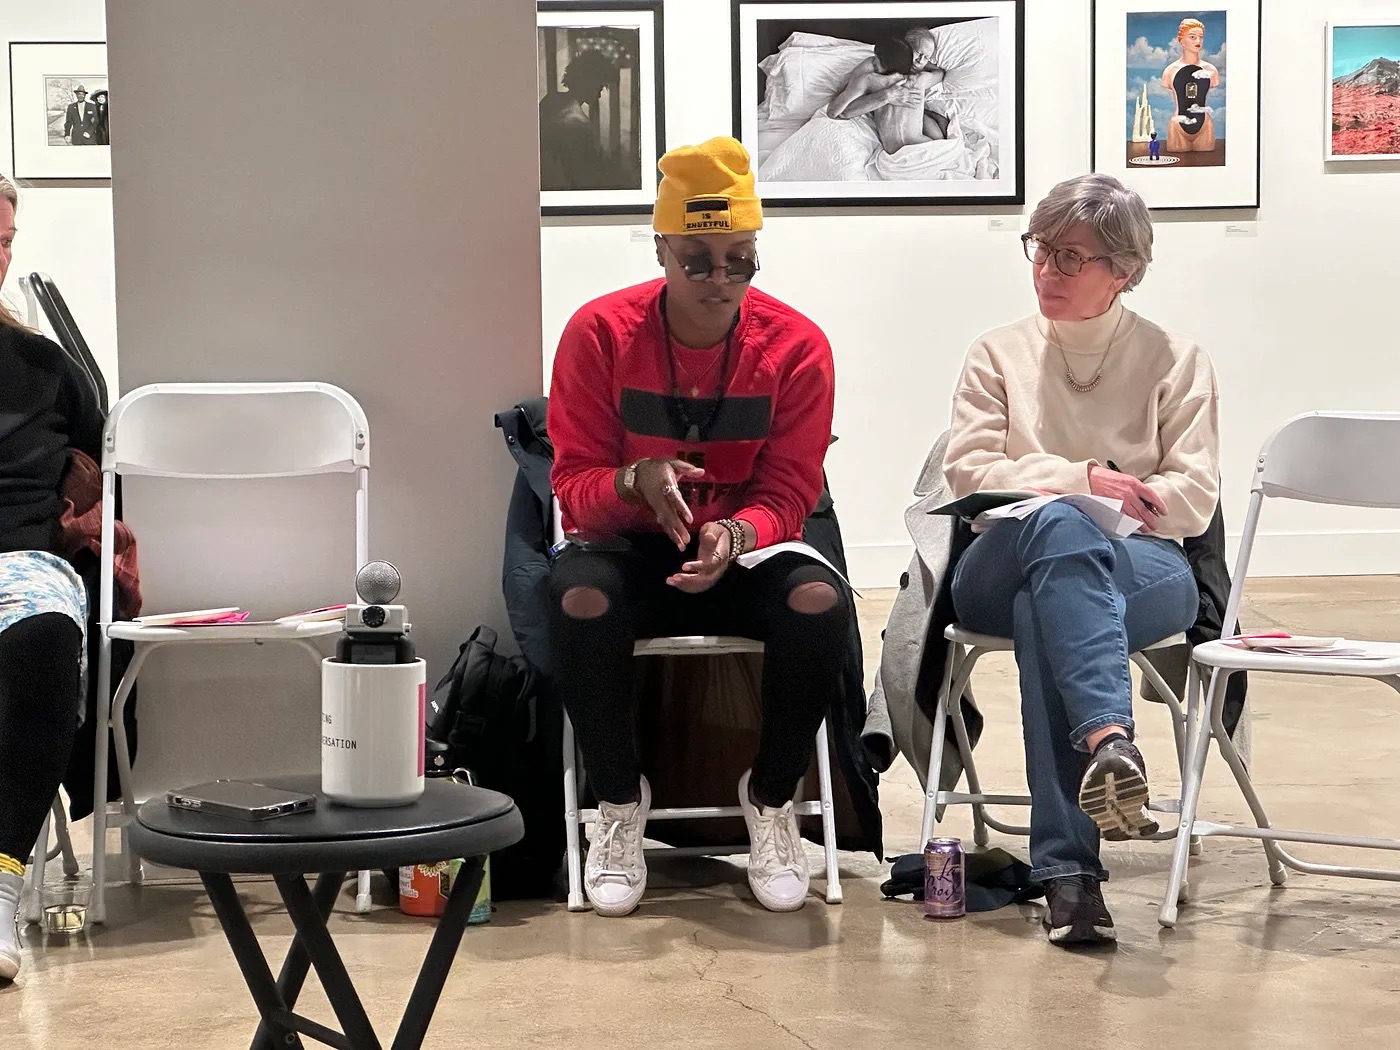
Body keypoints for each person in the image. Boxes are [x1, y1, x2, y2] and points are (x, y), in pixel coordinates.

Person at [547, 137, 847, 916]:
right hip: (629, 551)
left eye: (740, 259)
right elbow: (573, 488)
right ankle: (618, 804)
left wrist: (737, 534)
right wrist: (634, 484)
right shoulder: (600, 334)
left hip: (739, 552)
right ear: (661, 250)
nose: (720, 280)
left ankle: (773, 797)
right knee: (577, 599)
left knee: (820, 601)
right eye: (699, 260)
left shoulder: (796, 346)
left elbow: (791, 487)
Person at [943, 173, 1219, 946]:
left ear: (1123, 269)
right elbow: (969, 474)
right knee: (1061, 531)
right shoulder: (997, 352)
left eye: (1072, 258)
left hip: (1143, 569)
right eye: (1040, 251)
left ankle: (1070, 878)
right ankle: (1110, 741)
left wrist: (1080, 500)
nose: (1047, 272)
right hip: (997, 562)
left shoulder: (1175, 359)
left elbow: (1192, 500)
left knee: (1052, 607)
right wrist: (1084, 483)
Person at [0, 173, 104, 981]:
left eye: (1, 244)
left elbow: (100, 475)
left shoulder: (45, 368)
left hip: (20, 565)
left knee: (44, 636)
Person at [829, 30, 948, 152]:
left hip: (916, 144)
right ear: (904, 47)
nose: (920, 61)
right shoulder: (873, 68)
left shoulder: (920, 78)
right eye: (918, 53)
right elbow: (842, 109)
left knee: (938, 137)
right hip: (903, 144)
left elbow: (940, 73)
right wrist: (886, 96)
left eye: (926, 58)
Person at [539, 49, 625, 192]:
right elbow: (583, 177)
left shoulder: (550, 100)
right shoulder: (579, 123)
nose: (599, 94)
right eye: (600, 86)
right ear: (589, 81)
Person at [1161, 18, 1220, 153]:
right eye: (1192, 37)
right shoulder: (1170, 70)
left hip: (1205, 126)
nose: (1198, 41)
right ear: (1181, 40)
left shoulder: (1211, 70)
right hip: (1178, 126)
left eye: (1200, 37)